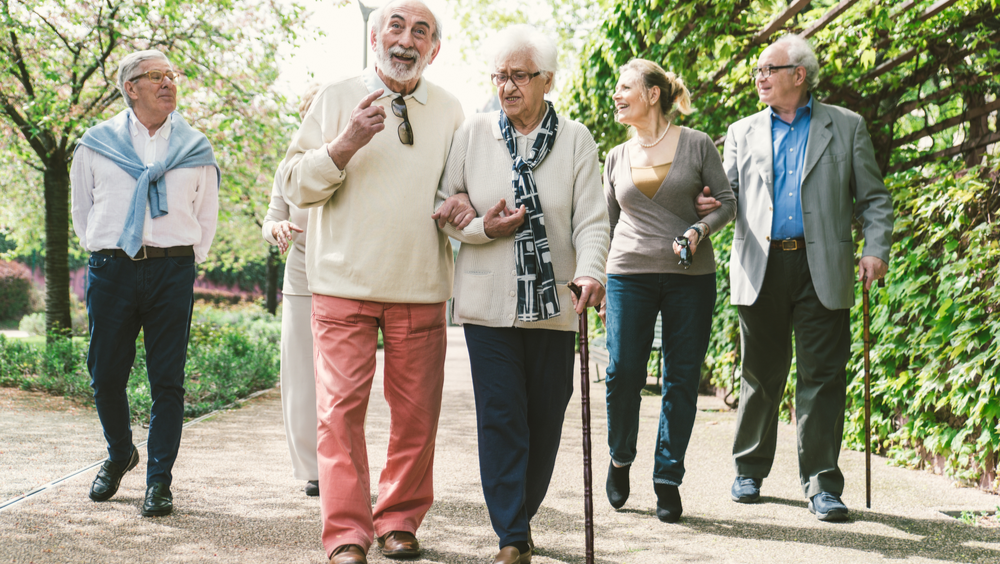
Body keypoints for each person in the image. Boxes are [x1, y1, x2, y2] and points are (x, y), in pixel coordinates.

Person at [280, 1, 472, 562]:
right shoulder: (334, 97)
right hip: (343, 284)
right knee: (339, 414)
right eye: (396, 26)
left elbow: (455, 189)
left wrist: (461, 202)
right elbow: (294, 184)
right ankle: (345, 534)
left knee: (416, 416)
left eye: (421, 31)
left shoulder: (452, 109)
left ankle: (399, 522)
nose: (407, 40)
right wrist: (344, 144)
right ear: (374, 36)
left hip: (419, 285)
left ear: (434, 49)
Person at [435, 24, 608, 564]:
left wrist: (593, 272)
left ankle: (521, 515)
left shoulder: (577, 139)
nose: (506, 86)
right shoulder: (474, 133)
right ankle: (511, 534)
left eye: (519, 76)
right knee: (501, 414)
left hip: (555, 303)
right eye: (500, 76)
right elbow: (446, 209)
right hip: (488, 305)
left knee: (544, 417)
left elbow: (592, 222)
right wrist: (483, 227)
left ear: (547, 80)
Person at [721, 35, 893, 522]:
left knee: (822, 376)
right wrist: (700, 214)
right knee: (760, 373)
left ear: (799, 74)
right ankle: (749, 469)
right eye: (757, 70)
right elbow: (726, 197)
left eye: (768, 69)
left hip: (825, 265)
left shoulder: (847, 126)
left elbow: (875, 199)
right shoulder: (742, 131)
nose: (760, 77)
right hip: (761, 263)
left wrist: (875, 249)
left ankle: (822, 483)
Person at [71, 49, 220, 517]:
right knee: (105, 376)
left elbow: (206, 218)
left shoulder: (195, 148)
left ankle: (159, 481)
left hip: (171, 272)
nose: (168, 83)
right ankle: (120, 454)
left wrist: (178, 260)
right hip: (112, 270)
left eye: (172, 75)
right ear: (130, 87)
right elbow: (82, 212)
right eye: (156, 76)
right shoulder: (95, 145)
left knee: (167, 382)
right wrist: (110, 255)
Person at [600, 59, 736, 523]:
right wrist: (600, 281)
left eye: (624, 87)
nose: (615, 95)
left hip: (690, 278)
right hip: (627, 275)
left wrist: (700, 228)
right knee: (622, 374)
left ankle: (667, 477)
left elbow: (728, 202)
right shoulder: (616, 156)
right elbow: (608, 224)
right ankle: (621, 459)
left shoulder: (697, 144)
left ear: (652, 93)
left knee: (681, 379)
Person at [261, 84, 322, 498]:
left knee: (340, 382)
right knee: (301, 378)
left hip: (347, 278)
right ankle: (316, 470)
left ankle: (345, 462)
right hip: (300, 278)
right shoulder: (289, 164)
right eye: (309, 110)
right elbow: (270, 220)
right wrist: (276, 229)